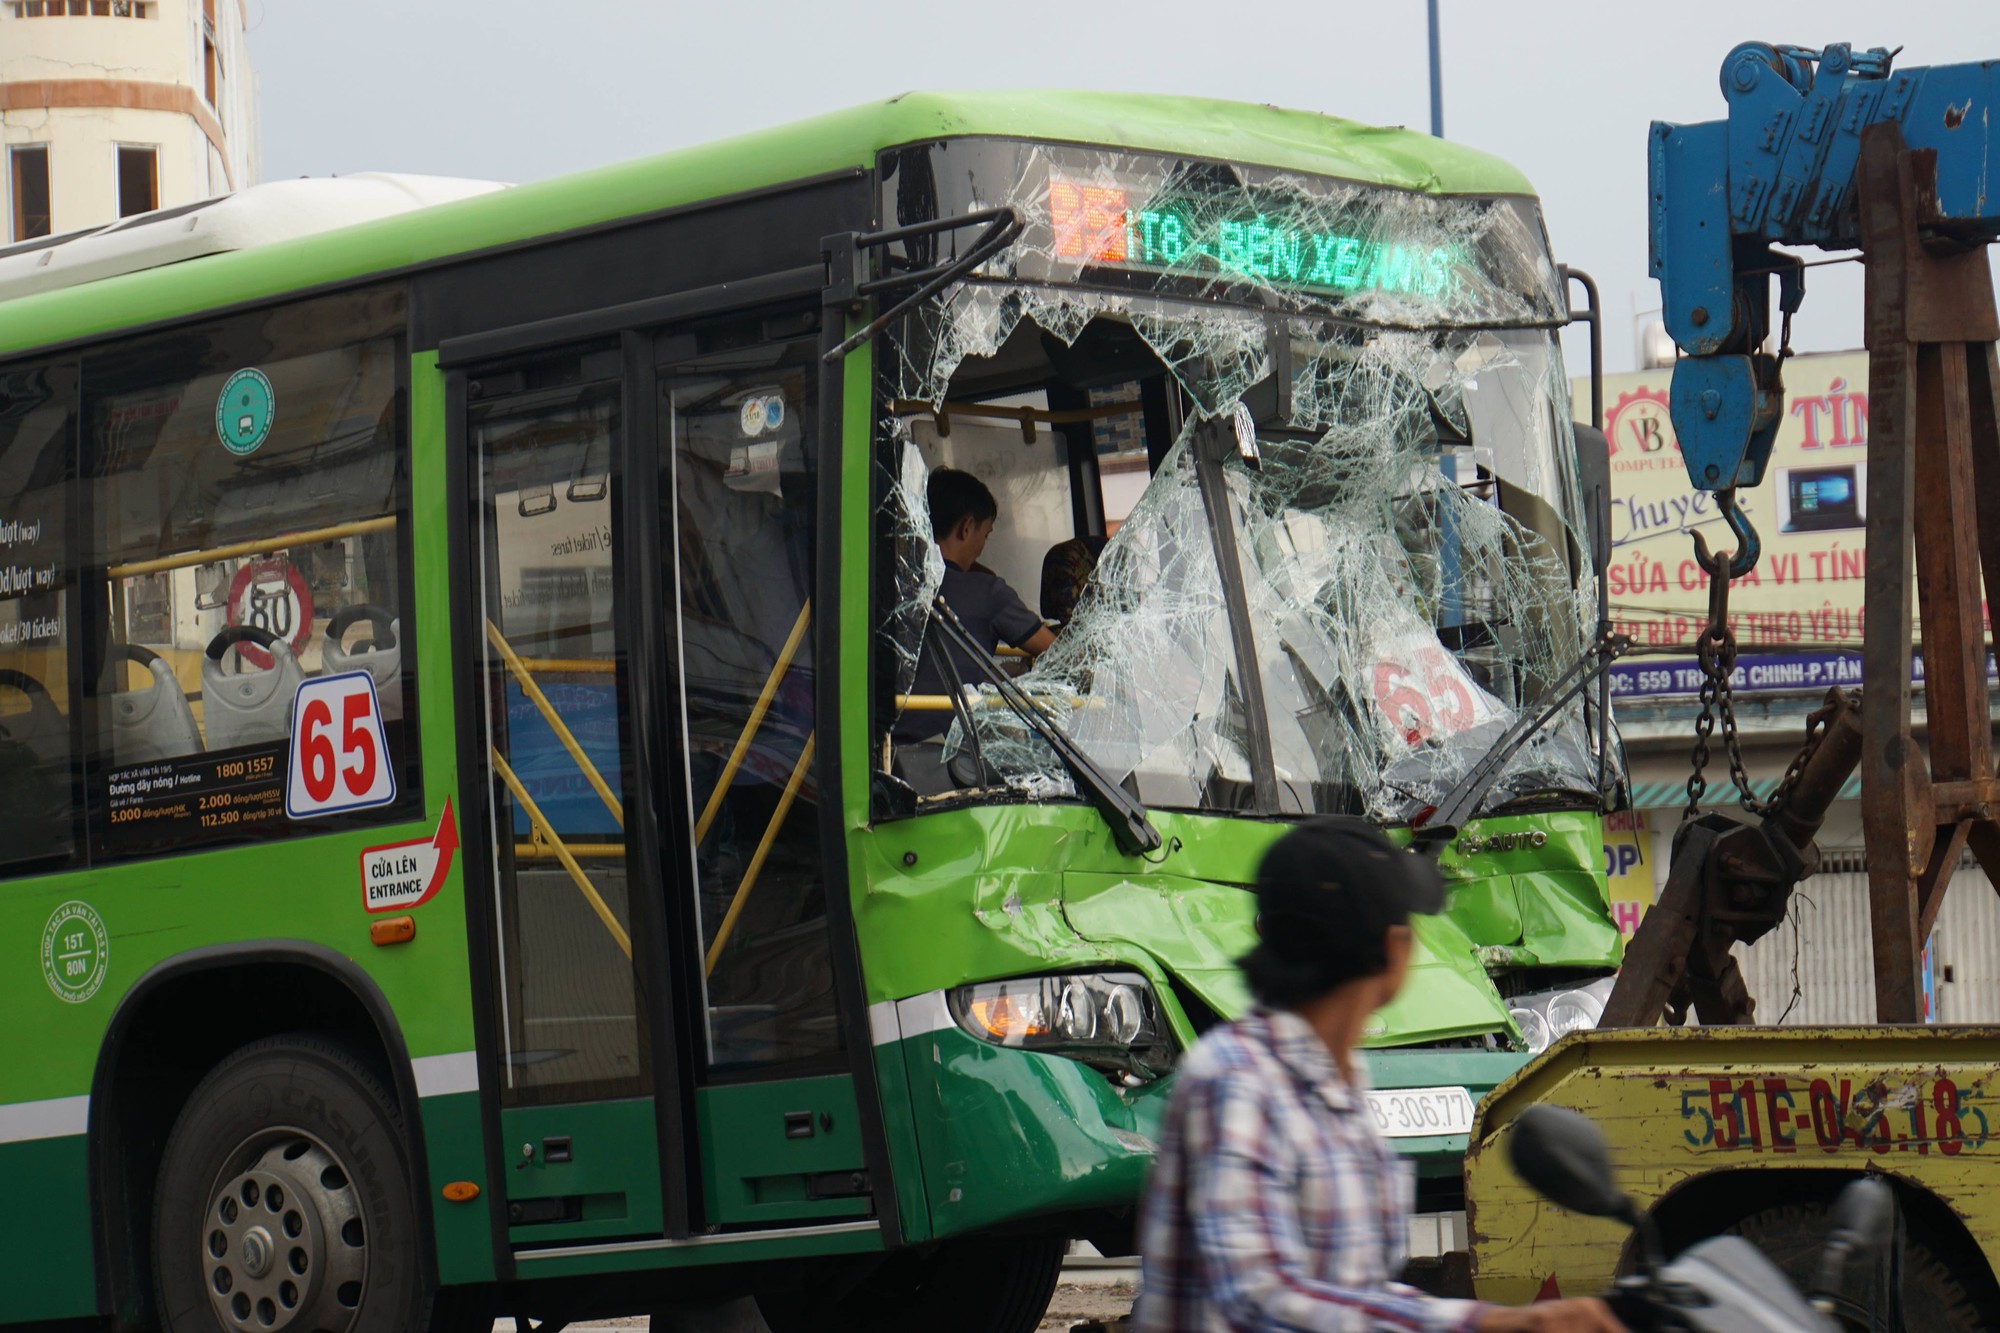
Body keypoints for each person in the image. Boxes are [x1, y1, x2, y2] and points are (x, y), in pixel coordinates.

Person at [1134, 816, 1626, 1333]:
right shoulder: (1236, 1084)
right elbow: (1256, 1299)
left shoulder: (1333, 1087)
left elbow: (1353, 1294)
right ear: (1395, 951)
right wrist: (1490, 1325)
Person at [896, 467, 1056, 741]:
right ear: (966, 527)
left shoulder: (894, 586)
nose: (982, 546)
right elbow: (1055, 652)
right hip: (954, 756)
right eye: (986, 534)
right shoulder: (989, 592)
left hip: (887, 747)